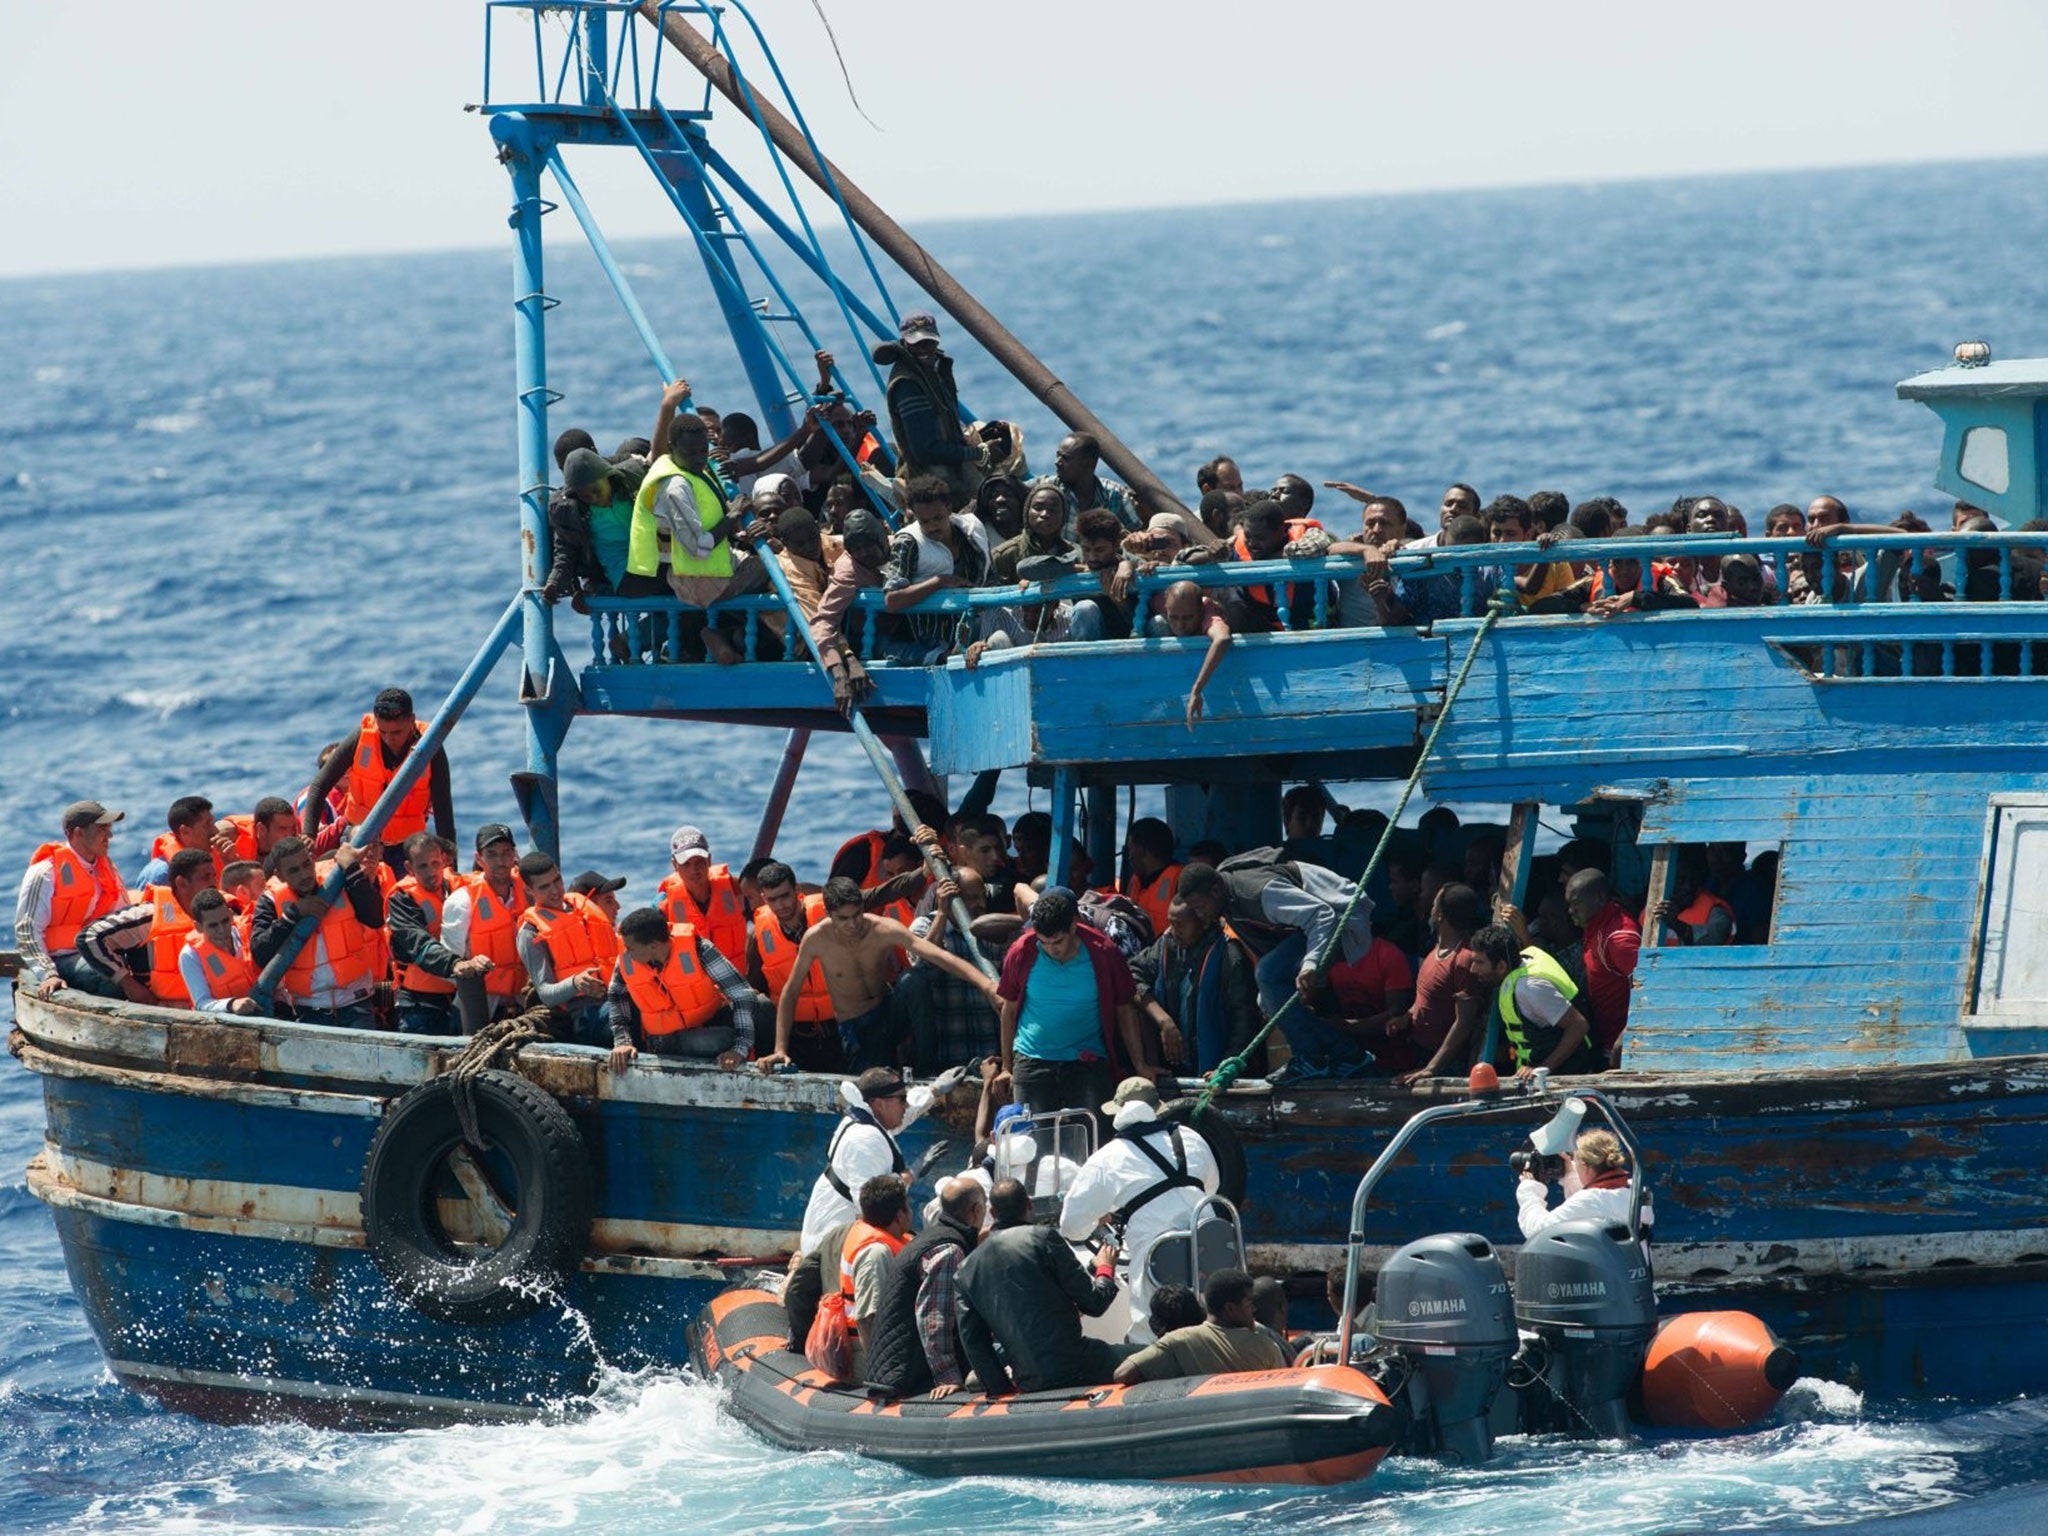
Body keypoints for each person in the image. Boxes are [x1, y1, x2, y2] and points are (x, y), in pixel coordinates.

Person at [755, 877, 999, 1072]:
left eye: (857, 915)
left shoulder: (882, 928)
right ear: (829, 914)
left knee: (914, 979)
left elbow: (937, 956)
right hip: (857, 1027)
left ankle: (927, 1067)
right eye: (843, 918)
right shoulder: (817, 939)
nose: (853, 924)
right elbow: (790, 992)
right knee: (875, 1081)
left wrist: (987, 985)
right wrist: (780, 1048)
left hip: (889, 1013)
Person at [1058, 1077, 1220, 1327]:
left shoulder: (1107, 1158)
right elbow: (1212, 1186)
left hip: (1158, 1264)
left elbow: (1071, 1225)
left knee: (1148, 1331)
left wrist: (1098, 1219)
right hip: (1212, 1248)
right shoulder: (1190, 1136)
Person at [997, 887, 1157, 1118]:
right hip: (1031, 1062)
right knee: (1030, 1142)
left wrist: (1140, 1065)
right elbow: (1008, 1010)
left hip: (1088, 1064)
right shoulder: (1021, 951)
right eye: (1044, 942)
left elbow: (1125, 1009)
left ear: (1074, 926)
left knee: (1093, 1141)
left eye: (1058, 941)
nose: (1051, 949)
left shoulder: (1104, 952)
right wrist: (1006, 1067)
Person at [957, 1178, 1128, 1392]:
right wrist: (1105, 1268)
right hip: (1082, 1363)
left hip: (1029, 1379)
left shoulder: (965, 1270)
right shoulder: (1044, 1238)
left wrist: (1003, 1392)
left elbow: (975, 1344)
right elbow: (1094, 1304)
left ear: (992, 1212)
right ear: (1029, 1205)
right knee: (1143, 1354)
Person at [628, 379, 756, 665]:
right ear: (675, 448)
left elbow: (660, 452)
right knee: (776, 573)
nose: (700, 459)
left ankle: (721, 636)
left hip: (705, 570)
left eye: (703, 451)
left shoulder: (682, 464)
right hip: (700, 580)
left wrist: (669, 405)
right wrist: (732, 517)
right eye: (692, 452)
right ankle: (726, 637)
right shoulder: (675, 486)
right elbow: (699, 548)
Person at [1174, 855, 1376, 1025]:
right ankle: (1330, 1053)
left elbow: (1321, 915)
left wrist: (1310, 964)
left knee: (1268, 973)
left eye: (1200, 907)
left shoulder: (1257, 893)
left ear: (1215, 891)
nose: (1200, 915)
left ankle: (1319, 1056)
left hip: (1344, 918)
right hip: (1310, 929)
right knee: (1270, 994)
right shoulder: (1226, 900)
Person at [862, 1175, 987, 1399]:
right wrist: (947, 1375)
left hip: (893, 1365)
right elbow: (933, 1318)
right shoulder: (949, 1251)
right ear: (977, 1210)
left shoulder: (931, 1238)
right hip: (906, 1373)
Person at [300, 689, 455, 870]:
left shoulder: (430, 747)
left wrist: (451, 864)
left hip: (406, 847)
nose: (389, 739)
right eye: (383, 732)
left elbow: (443, 808)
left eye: (396, 732)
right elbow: (320, 785)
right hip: (360, 840)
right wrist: (309, 833)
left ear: (411, 720)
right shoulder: (361, 737)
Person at [603, 905, 764, 1073]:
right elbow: (616, 994)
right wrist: (622, 1042)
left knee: (761, 1007)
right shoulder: (627, 959)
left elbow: (742, 994)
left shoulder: (699, 949)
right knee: (719, 1040)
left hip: (703, 1028)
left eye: (630, 948)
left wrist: (740, 1048)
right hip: (660, 1041)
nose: (626, 953)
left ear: (653, 946)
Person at [794, 1066, 933, 1257]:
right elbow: (871, 1205)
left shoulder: (866, 1118)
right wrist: (910, 1176)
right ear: (877, 1104)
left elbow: (900, 1117)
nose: (906, 1106)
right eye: (902, 1099)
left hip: (840, 1238)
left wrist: (935, 1091)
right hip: (833, 1249)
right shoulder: (864, 1139)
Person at [249, 836, 385, 1028]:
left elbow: (375, 918)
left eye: (306, 864)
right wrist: (293, 915)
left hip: (357, 1002)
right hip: (310, 1010)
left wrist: (353, 871)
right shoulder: (270, 900)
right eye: (293, 870)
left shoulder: (338, 879)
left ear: (313, 859)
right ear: (280, 875)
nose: (304, 874)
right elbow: (260, 953)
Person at [1129, 896, 1262, 1078]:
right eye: (1171, 924)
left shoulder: (1231, 958)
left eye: (1180, 925)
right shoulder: (1165, 946)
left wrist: (1226, 1068)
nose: (1173, 932)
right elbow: (1130, 976)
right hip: (1176, 1070)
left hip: (1220, 1072)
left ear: (1204, 922)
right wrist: (1164, 1021)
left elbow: (1245, 1022)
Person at [71, 847, 216, 1008]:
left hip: (206, 1006)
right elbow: (89, 937)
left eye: (214, 876)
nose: (213, 883)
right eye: (205, 877)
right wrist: (128, 984)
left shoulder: (222, 913)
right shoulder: (149, 916)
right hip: (159, 1009)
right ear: (181, 883)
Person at [16, 800, 130, 1000]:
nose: (110, 836)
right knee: (109, 979)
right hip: (61, 958)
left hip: (99, 950)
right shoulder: (45, 873)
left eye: (109, 829)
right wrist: (48, 974)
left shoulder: (107, 867)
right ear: (78, 833)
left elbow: (124, 914)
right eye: (103, 829)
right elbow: (27, 930)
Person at [874, 311, 989, 504]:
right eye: (917, 343)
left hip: (952, 476)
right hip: (933, 487)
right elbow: (926, 451)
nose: (925, 348)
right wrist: (977, 453)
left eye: (929, 342)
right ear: (905, 343)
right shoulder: (908, 385)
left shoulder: (933, 371)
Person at [899, 871, 1008, 1072]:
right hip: (947, 1054)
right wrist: (942, 912)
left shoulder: (992, 929)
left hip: (990, 1054)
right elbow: (922, 963)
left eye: (983, 896)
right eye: (972, 898)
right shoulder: (924, 925)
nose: (981, 904)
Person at [387, 832, 491, 1035]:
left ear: (443, 860)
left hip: (457, 997)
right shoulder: (401, 900)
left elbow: (492, 880)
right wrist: (455, 965)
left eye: (435, 863)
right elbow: (419, 945)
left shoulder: (458, 886)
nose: (431, 872)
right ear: (409, 868)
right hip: (420, 1003)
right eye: (423, 866)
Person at [1465, 924, 1601, 1079]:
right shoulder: (1524, 957)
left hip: (1568, 1074)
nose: (1473, 969)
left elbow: (1579, 1025)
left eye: (1479, 963)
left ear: (1501, 966)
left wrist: (1542, 1069)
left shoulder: (1530, 988)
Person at [883, 473, 993, 664]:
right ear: (914, 515)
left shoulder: (972, 530)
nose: (932, 526)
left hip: (979, 626)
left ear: (949, 508)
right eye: (924, 521)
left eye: (938, 518)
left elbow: (991, 577)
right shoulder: (908, 542)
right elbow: (892, 600)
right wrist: (939, 582)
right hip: (935, 640)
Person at [747, 860, 843, 1073]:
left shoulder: (831, 913)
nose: (781, 905)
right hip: (796, 1037)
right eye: (773, 899)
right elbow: (753, 983)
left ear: (797, 890)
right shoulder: (759, 936)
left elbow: (875, 895)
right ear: (764, 899)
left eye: (785, 896)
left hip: (842, 1029)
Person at [516, 852, 620, 1048]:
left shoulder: (582, 909)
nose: (555, 891)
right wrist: (575, 983)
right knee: (627, 1012)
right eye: (544, 887)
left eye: (557, 880)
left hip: (614, 996)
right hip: (584, 1016)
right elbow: (546, 992)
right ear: (529, 890)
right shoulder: (530, 933)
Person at [1113, 1268, 1288, 1383]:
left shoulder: (1179, 1340)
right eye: (1249, 1304)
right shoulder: (1265, 1345)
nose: (1254, 1309)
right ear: (1230, 1308)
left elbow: (1122, 1374)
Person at [1392, 882, 1490, 1087]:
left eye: (1435, 904)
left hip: (1445, 1062)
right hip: (1419, 1051)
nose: (1429, 906)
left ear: (1440, 915)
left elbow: (1464, 1022)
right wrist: (1407, 1016)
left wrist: (1432, 1068)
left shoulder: (1463, 959)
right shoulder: (1437, 948)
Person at [442, 823, 529, 1029]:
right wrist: (471, 969)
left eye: (506, 853)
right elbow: (447, 963)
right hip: (479, 1010)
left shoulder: (528, 891)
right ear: (479, 859)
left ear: (515, 855)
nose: (501, 861)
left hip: (523, 1006)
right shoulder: (462, 901)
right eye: (491, 854)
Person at [811, 506, 890, 712]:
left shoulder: (901, 546)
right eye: (856, 548)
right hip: (875, 638)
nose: (863, 553)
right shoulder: (848, 571)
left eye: (868, 545)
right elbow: (823, 622)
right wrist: (839, 671)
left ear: (882, 535)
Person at [839, 1174, 915, 1379]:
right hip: (869, 1353)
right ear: (900, 1215)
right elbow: (868, 1319)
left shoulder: (893, 1238)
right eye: (908, 1206)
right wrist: (882, 1374)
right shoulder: (876, 1254)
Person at [541, 446, 635, 603]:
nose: (594, 498)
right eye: (586, 496)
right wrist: (556, 584)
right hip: (624, 576)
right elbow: (566, 549)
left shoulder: (628, 487)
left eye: (596, 491)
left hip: (651, 563)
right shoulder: (576, 514)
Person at [1564, 868, 1639, 1064]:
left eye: (1576, 904)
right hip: (1602, 1041)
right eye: (1569, 904)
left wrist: (1623, 1041)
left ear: (1598, 899)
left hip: (1622, 1052)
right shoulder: (1595, 925)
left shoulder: (1619, 939)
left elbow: (1649, 992)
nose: (1570, 911)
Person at [1517, 1128, 1643, 1239]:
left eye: (1575, 1161)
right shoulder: (1633, 1191)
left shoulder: (1590, 1201)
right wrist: (1570, 1175)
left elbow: (1539, 1232)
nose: (1574, 1165)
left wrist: (1530, 1189)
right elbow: (1592, 1207)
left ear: (1584, 1165)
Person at [657, 826, 749, 971]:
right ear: (674, 864)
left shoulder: (734, 888)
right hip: (697, 989)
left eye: (699, 861)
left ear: (709, 860)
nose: (694, 870)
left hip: (738, 981)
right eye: (686, 864)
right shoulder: (663, 904)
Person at [1156, 579, 1234, 727]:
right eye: (1174, 617)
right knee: (1156, 623)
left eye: (1188, 618)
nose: (1180, 625)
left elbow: (1223, 638)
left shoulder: (1208, 611)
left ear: (1200, 610)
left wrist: (1196, 690)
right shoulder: (1163, 602)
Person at [179, 887, 265, 1016]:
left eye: (225, 921)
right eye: (213, 925)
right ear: (198, 927)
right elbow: (202, 1003)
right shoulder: (190, 955)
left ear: (231, 915)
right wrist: (232, 1004)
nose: (222, 930)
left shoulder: (250, 933)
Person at [1035, 432, 1139, 538]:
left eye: (1065, 458)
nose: (1057, 462)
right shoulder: (1047, 487)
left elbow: (1135, 535)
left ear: (1088, 463)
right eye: (1058, 455)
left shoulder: (1115, 495)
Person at [135, 795, 225, 890]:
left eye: (213, 823)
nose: (215, 831)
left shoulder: (215, 860)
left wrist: (230, 861)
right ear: (185, 831)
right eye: (207, 824)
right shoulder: (160, 875)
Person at [989, 483, 1075, 583]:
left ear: (1063, 515)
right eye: (1038, 508)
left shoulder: (1075, 553)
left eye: (1053, 510)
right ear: (1027, 511)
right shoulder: (1003, 555)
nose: (1045, 514)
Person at [1117, 818, 1182, 938]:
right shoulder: (1135, 882)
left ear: (1141, 850)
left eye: (1131, 849)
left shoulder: (1179, 882)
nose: (1129, 856)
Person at [1656, 853, 1736, 947]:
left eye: (1693, 881)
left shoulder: (1717, 913)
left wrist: (1677, 925)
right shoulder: (1650, 911)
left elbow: (1713, 941)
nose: (1688, 887)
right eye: (1680, 881)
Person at [216, 798, 300, 870]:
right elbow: (211, 831)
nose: (289, 834)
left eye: (292, 828)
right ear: (261, 829)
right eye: (282, 829)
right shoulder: (231, 832)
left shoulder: (297, 837)